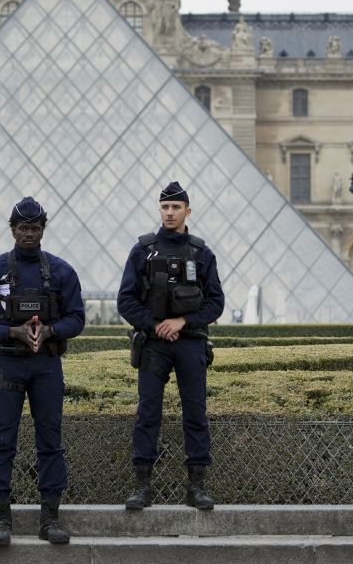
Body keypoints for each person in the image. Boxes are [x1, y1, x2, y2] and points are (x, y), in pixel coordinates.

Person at [0, 196, 84, 546]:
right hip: (6, 363)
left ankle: (50, 518)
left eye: (35, 228)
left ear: (42, 230)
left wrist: (49, 331)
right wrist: (12, 332)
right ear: (13, 230)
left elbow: (77, 319)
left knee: (50, 441)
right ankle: (1, 517)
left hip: (46, 364)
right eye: (23, 229)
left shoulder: (63, 272)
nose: (29, 234)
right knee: (2, 441)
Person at [118, 181, 224, 510]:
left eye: (176, 207)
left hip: (190, 343)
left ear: (187, 211)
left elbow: (216, 303)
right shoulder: (142, 251)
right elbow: (126, 301)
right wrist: (155, 326)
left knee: (196, 413)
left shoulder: (202, 253)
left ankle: (197, 486)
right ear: (159, 209)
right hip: (153, 345)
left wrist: (182, 322)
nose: (169, 212)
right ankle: (142, 486)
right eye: (164, 207)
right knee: (148, 413)